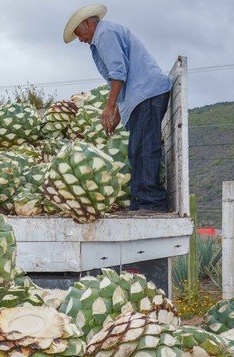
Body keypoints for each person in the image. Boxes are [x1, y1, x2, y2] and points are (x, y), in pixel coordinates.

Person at [63, 4, 171, 212]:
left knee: (145, 148)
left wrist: (109, 107)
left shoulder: (105, 34)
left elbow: (118, 72)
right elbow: (123, 76)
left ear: (87, 23)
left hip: (146, 93)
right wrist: (119, 113)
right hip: (140, 96)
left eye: (79, 33)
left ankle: (153, 203)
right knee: (136, 149)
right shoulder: (102, 36)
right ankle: (141, 200)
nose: (80, 39)